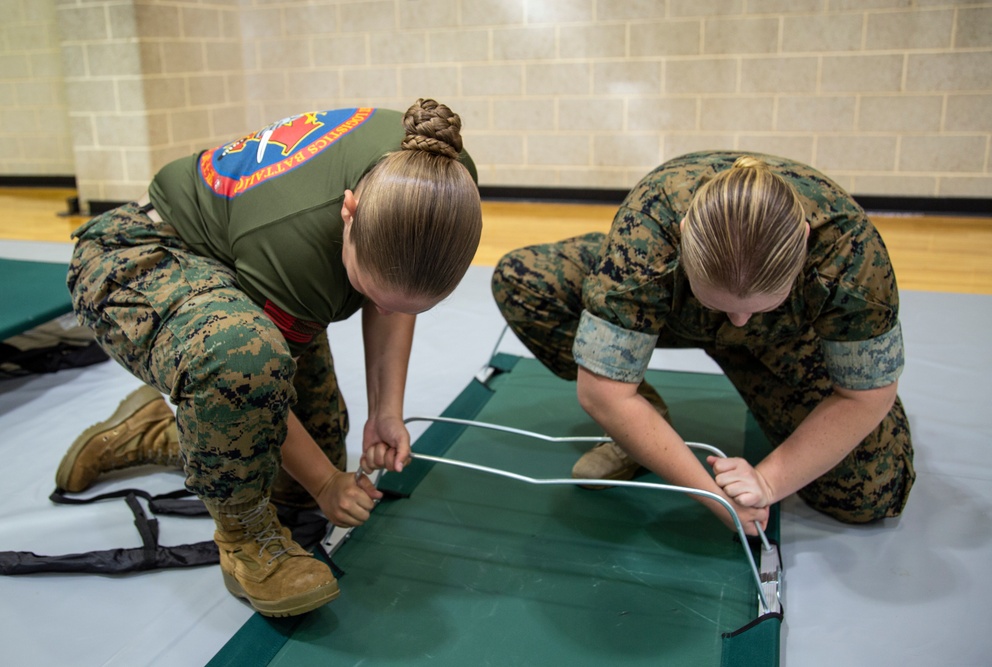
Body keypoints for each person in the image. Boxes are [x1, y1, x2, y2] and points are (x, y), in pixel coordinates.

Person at [58, 99, 482, 617]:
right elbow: (254, 385)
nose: (383, 309)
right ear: (348, 213)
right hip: (137, 252)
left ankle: (155, 431)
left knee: (305, 476)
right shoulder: (299, 245)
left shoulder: (439, 181)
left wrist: (386, 410)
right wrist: (326, 482)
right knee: (243, 362)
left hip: (240, 265)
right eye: (375, 293)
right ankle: (246, 544)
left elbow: (393, 297)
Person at [491, 151, 914, 536]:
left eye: (759, 307)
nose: (738, 321)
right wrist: (712, 494)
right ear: (681, 238)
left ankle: (742, 319)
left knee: (869, 493)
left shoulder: (850, 255)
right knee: (525, 282)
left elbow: (864, 397)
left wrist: (767, 481)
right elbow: (602, 394)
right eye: (722, 305)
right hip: (670, 309)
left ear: (803, 242)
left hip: (787, 339)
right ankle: (643, 420)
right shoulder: (650, 235)